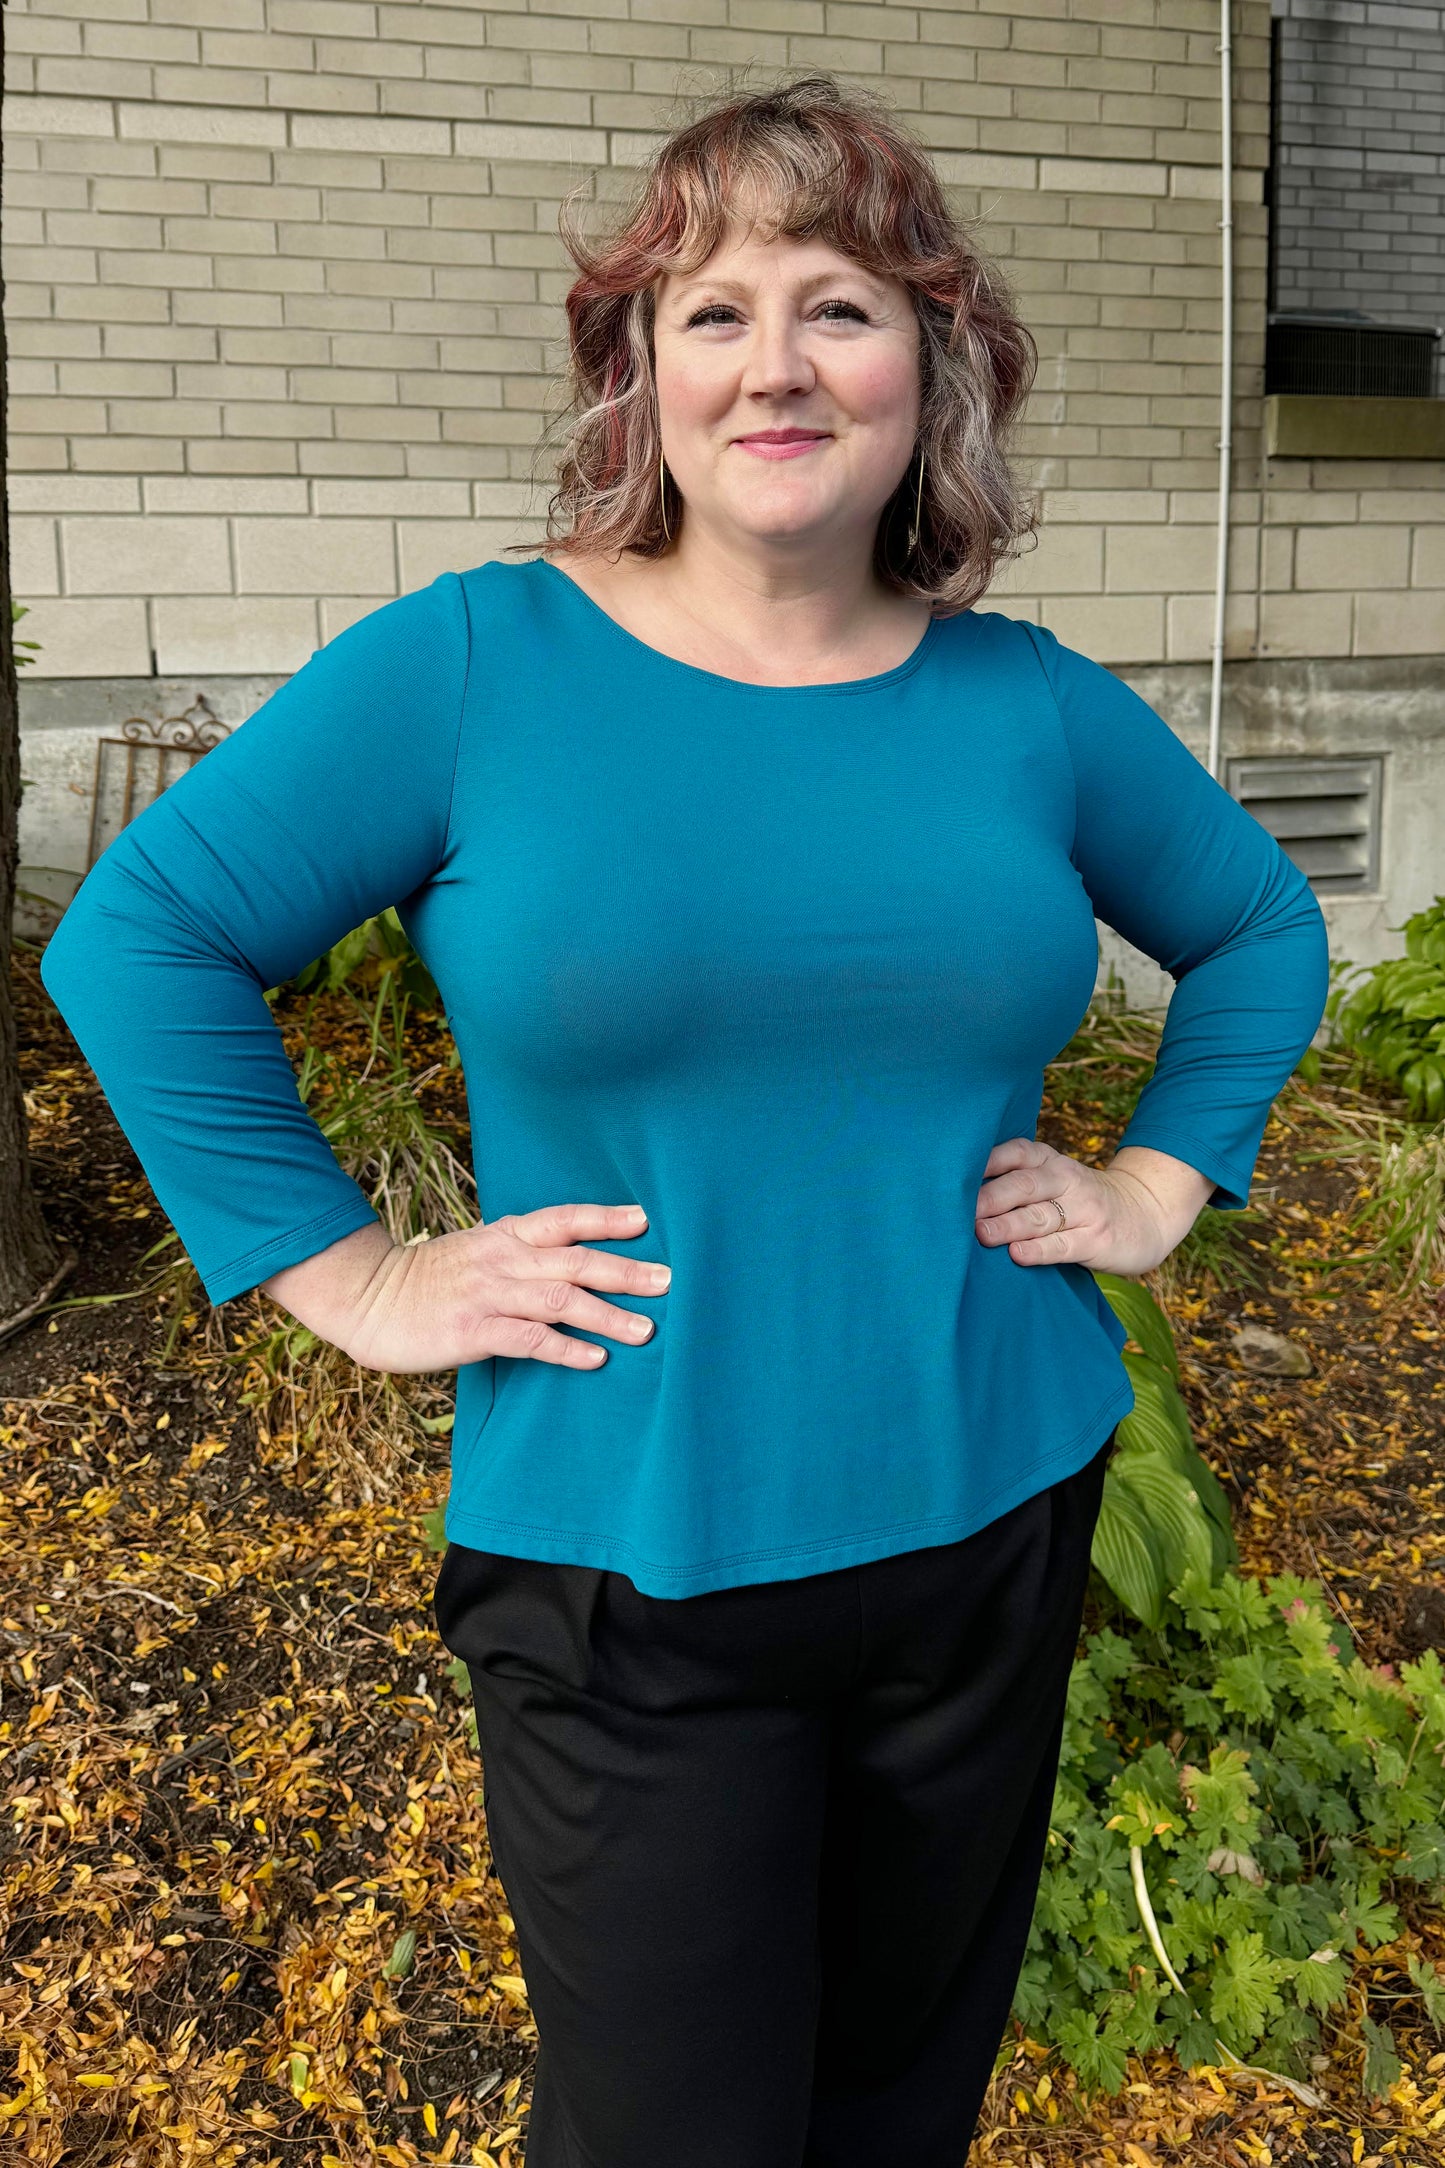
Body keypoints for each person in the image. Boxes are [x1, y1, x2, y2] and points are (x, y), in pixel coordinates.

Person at [39, 71, 1331, 2168]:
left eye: (842, 303)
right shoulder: (477, 664)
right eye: (712, 308)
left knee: (898, 2112)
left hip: (993, 1512)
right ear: (640, 370)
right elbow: (144, 935)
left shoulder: (1029, 704)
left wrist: (1154, 1185)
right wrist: (353, 1271)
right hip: (631, 1568)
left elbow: (1263, 926)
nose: (777, 362)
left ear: (936, 364)